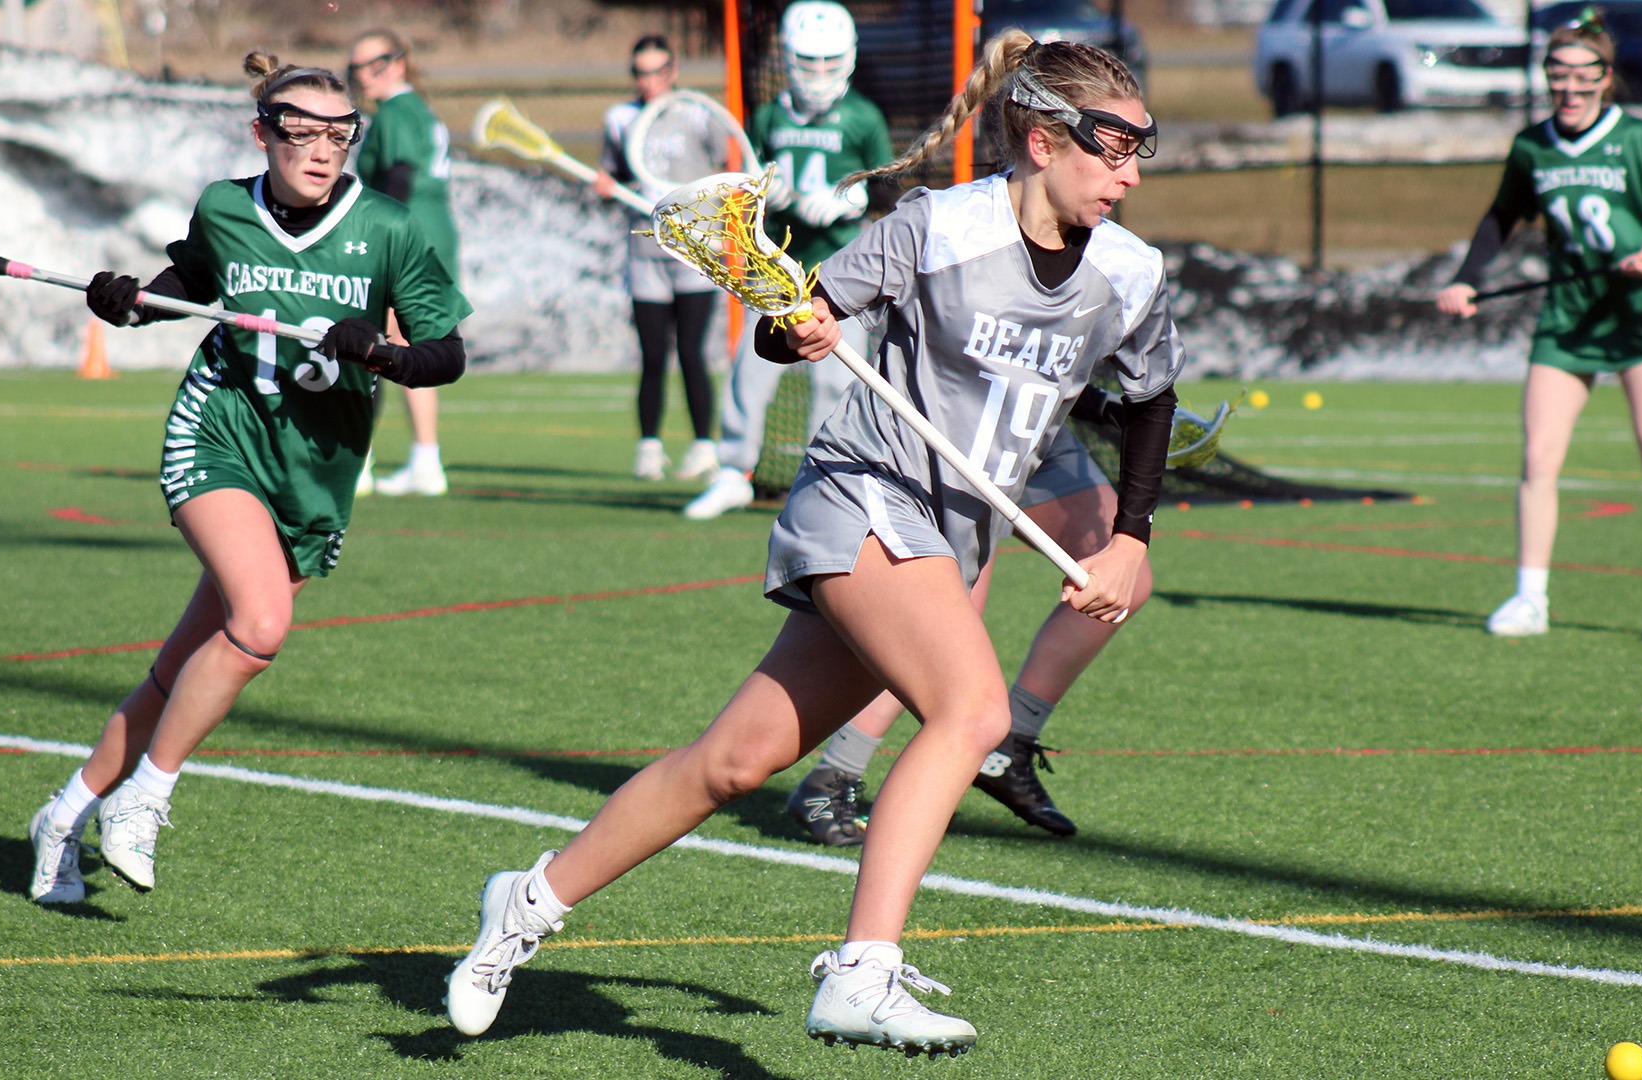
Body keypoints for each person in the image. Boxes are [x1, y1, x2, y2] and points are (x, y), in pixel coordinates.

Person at [443, 32, 1176, 1055]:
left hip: (950, 533)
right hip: (863, 495)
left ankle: (525, 900)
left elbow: (1149, 402)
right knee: (969, 714)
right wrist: (804, 329)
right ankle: (861, 972)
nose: (1132, 176)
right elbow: (787, 325)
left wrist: (1130, 539)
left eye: (1145, 153)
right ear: (1044, 139)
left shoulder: (1132, 274)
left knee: (733, 763)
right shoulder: (935, 229)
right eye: (1115, 150)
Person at [25, 53, 471, 905]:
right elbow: (191, 282)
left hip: (315, 471)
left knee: (181, 668)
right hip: (220, 432)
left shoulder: (388, 227)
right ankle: (143, 798)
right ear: (262, 133)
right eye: (302, 134)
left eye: (340, 136)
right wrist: (129, 300)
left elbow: (444, 352)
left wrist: (380, 350)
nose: (322, 151)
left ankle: (66, 812)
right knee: (260, 623)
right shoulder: (226, 207)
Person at [1436, 14, 1642, 643]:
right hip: (1568, 320)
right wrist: (1467, 278)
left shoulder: (1639, 141)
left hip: (1640, 315)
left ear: (1606, 79)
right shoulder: (1532, 145)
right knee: (1538, 457)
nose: (1569, 88)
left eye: (1583, 75)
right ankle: (1530, 598)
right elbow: (1501, 218)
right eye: (1557, 75)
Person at [785, 387, 1151, 844]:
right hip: (952, 418)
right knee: (941, 619)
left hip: (1036, 427)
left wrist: (1115, 406)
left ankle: (1008, 747)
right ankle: (833, 777)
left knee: (1124, 581)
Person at [683, 0, 893, 521]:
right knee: (750, 370)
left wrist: (853, 199)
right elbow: (746, 181)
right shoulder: (771, 115)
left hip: (846, 275)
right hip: (778, 268)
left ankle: (820, 478)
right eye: (808, 61)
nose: (818, 73)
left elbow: (887, 183)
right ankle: (734, 471)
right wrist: (763, 196)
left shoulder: (863, 116)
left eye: (828, 62)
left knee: (836, 379)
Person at [594, 35, 721, 483]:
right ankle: (649, 447)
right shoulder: (621, 118)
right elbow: (613, 176)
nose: (648, 81)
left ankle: (704, 446)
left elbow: (724, 171)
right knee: (651, 354)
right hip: (644, 251)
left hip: (693, 251)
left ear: (673, 71)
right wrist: (608, 187)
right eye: (640, 72)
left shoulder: (699, 114)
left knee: (691, 351)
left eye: (657, 71)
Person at [348, 28, 460, 497]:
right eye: (354, 67)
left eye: (369, 65)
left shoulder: (394, 110)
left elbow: (398, 179)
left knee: (370, 346)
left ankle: (359, 463)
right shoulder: (419, 109)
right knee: (414, 346)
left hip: (405, 242)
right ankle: (425, 460)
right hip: (435, 236)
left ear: (396, 63)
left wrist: (376, 238)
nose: (359, 76)